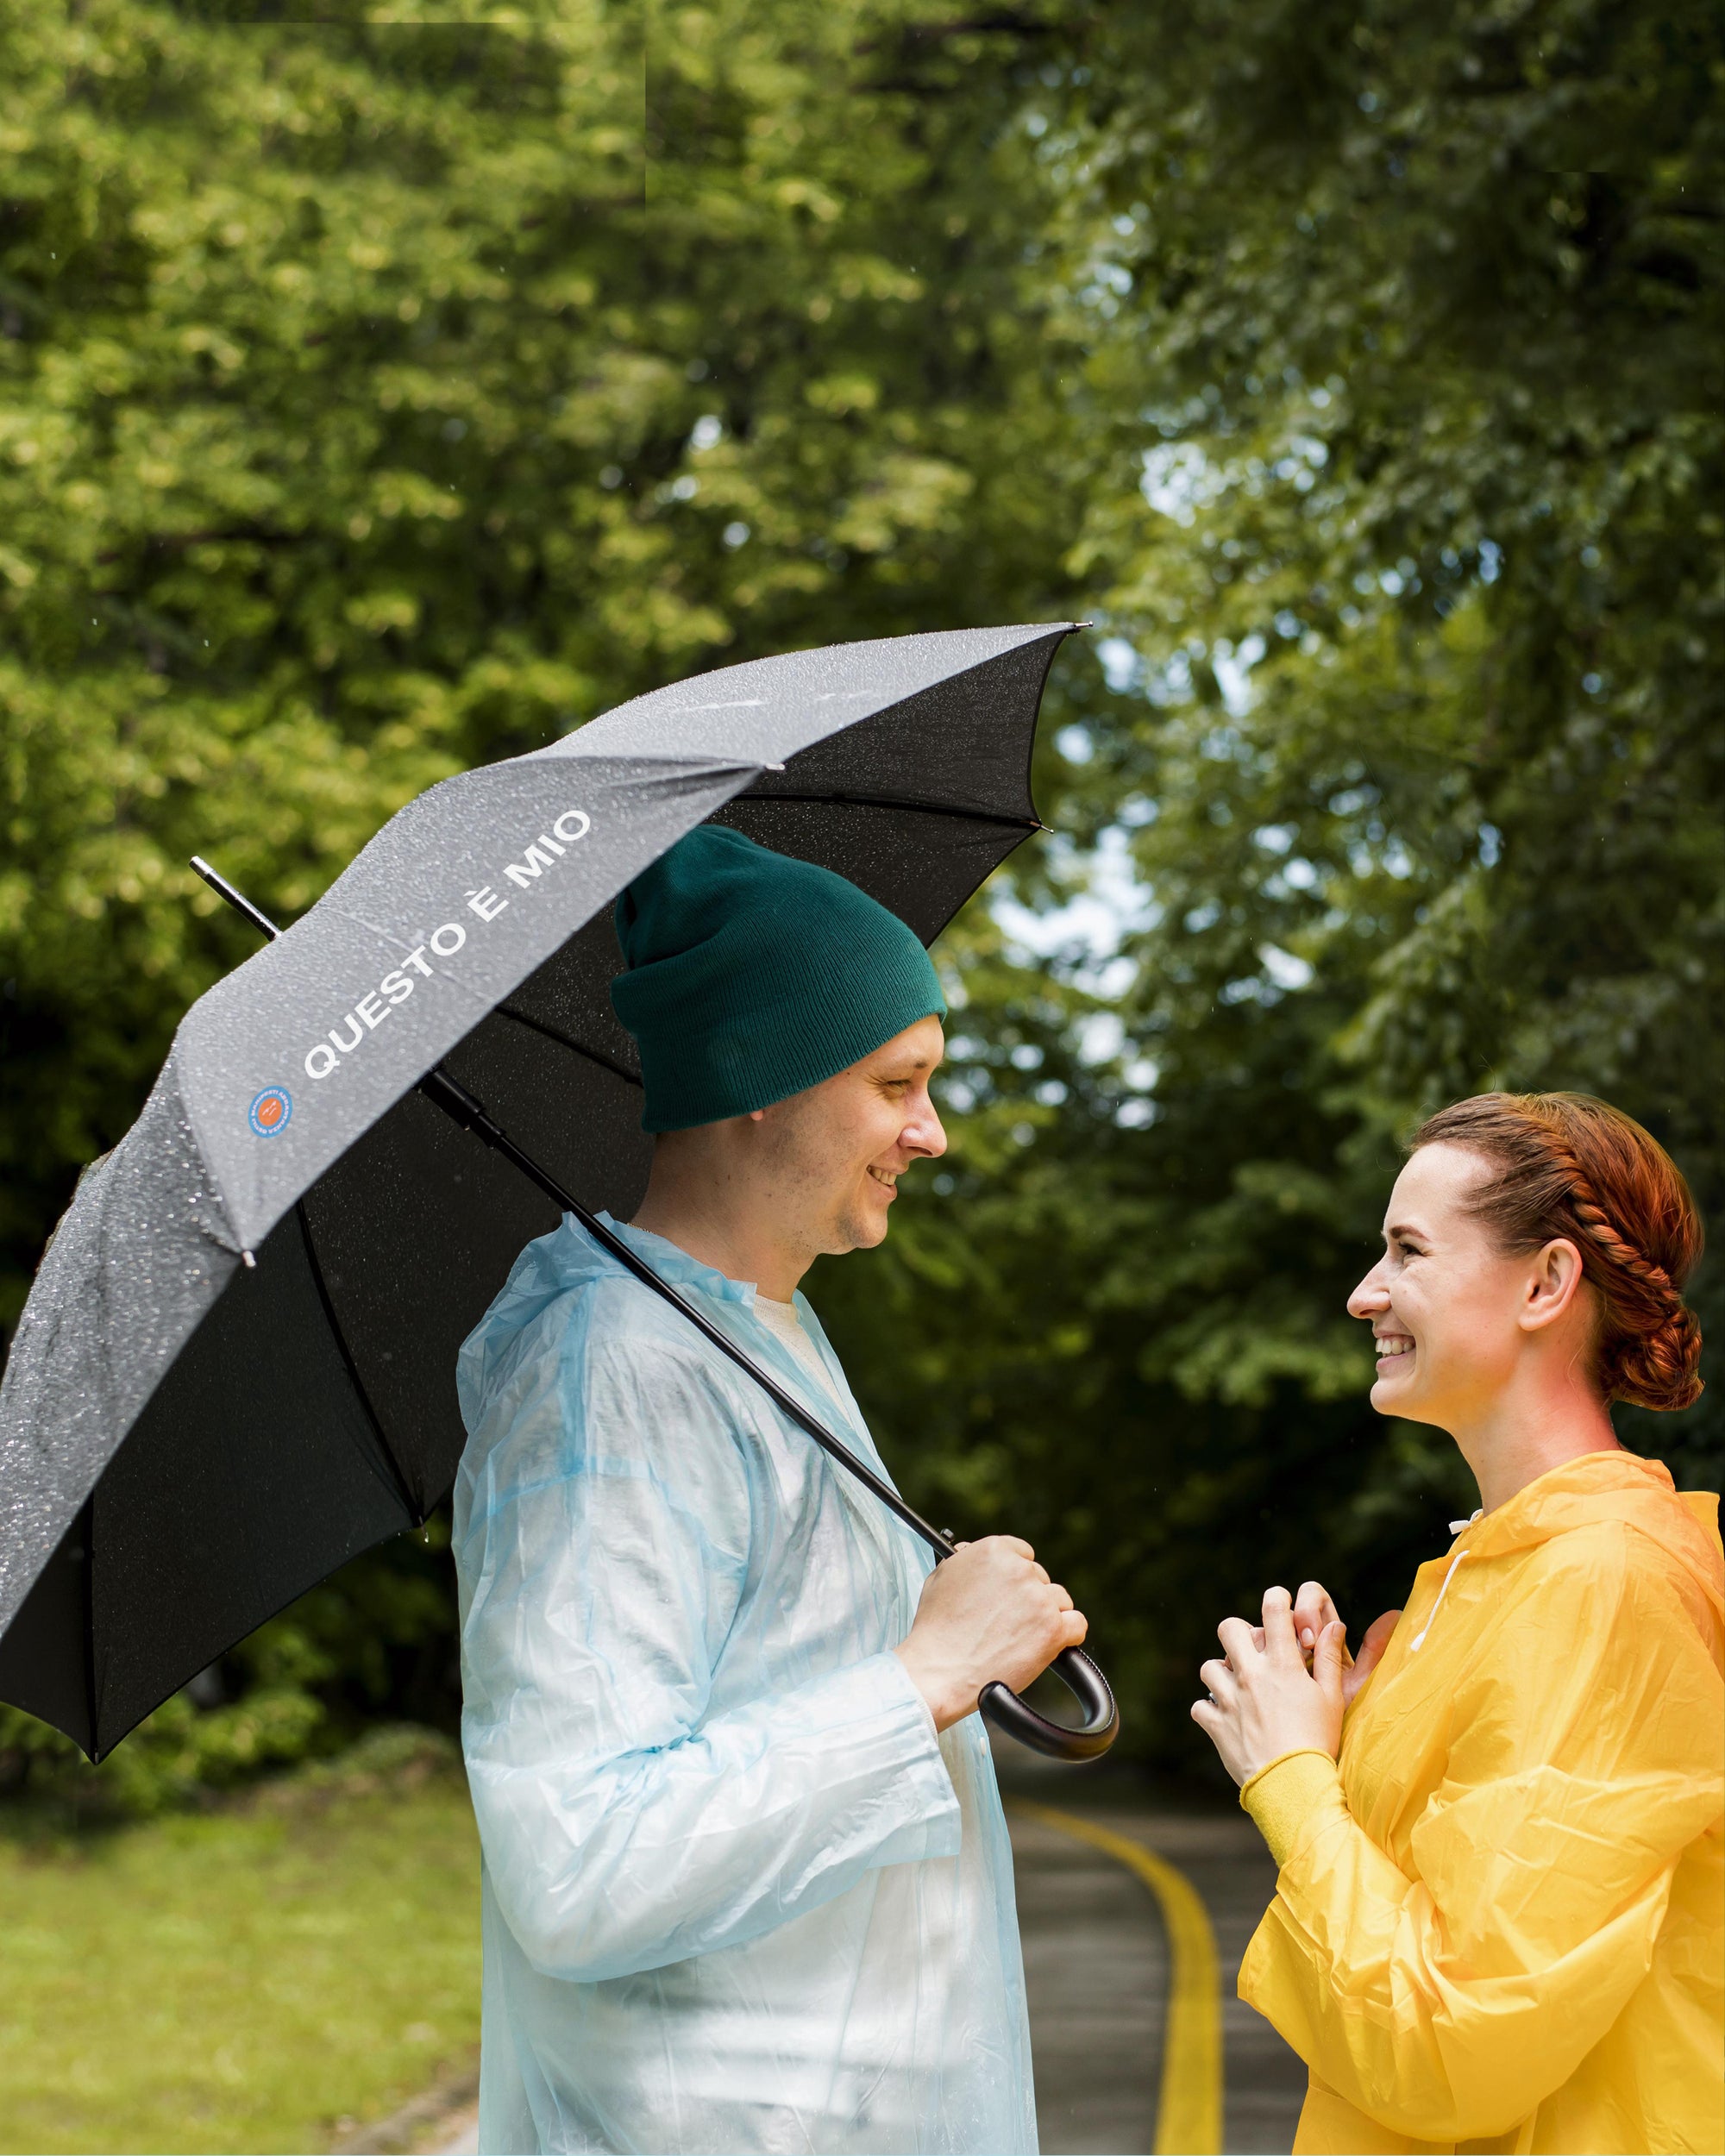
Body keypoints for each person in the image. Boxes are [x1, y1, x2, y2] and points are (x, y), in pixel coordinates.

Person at [451, 825, 1085, 2156]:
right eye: (897, 1084)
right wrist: (923, 1677)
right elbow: (581, 1863)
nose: (934, 1132)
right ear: (756, 1072)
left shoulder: (762, 1328)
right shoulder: (607, 1373)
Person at [1193, 1090, 1723, 2155]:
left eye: (1405, 1251)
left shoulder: (1602, 1582)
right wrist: (1344, 1751)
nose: (1362, 1294)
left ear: (1544, 1282)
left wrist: (1287, 1775)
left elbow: (1448, 2040)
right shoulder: (1473, 1573)